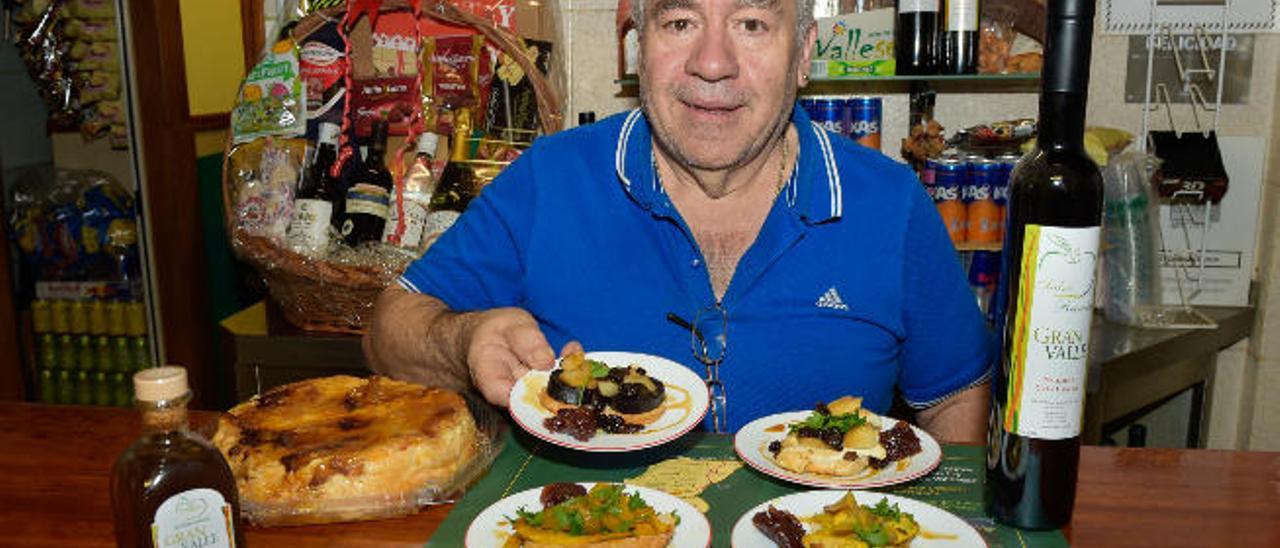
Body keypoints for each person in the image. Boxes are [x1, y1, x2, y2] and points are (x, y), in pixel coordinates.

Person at [364, 0, 992, 441]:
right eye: (680, 21)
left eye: (751, 23)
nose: (711, 63)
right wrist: (463, 341)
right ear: (640, 44)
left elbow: (957, 395)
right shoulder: (551, 179)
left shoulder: (893, 205)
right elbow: (387, 329)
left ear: (803, 55)